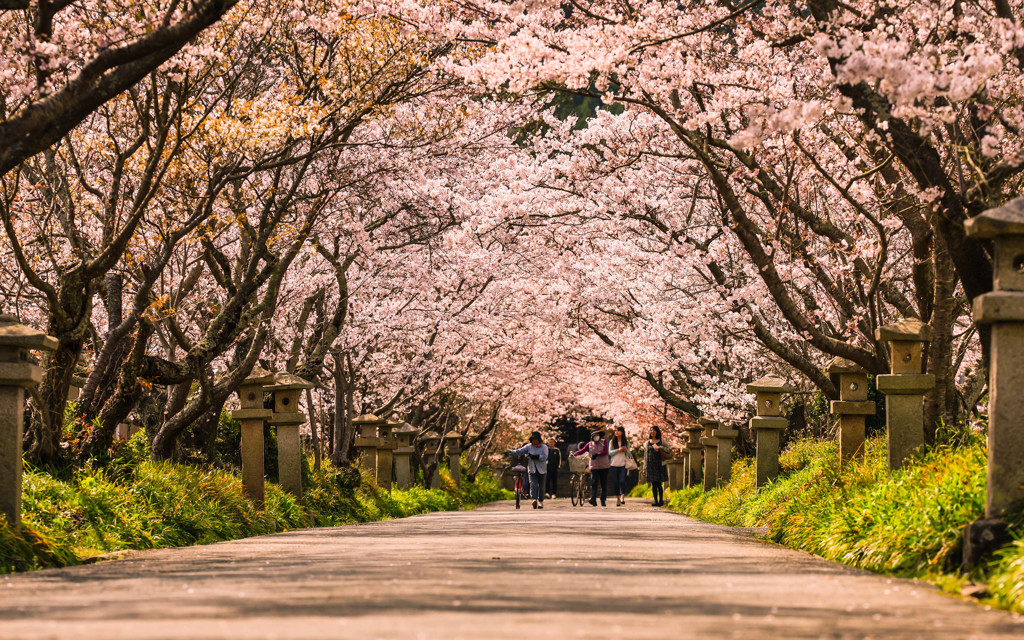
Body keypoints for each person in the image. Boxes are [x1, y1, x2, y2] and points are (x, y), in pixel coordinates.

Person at [507, 431, 549, 509]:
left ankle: (540, 501)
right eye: (533, 439)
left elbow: (545, 457)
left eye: (536, 439)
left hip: (542, 470)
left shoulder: (544, 447)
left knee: (542, 486)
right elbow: (519, 451)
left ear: (539, 440)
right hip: (532, 469)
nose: (534, 441)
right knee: (533, 484)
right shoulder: (529, 447)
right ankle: (533, 499)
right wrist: (510, 451)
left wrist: (536, 457)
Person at [572, 428, 610, 506]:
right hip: (594, 466)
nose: (596, 436)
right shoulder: (589, 444)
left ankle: (603, 500)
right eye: (594, 435)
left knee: (603, 483)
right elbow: (582, 451)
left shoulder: (604, 442)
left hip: (604, 466)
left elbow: (605, 451)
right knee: (594, 482)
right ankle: (593, 499)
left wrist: (597, 454)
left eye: (597, 435)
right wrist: (574, 454)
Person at [645, 425, 667, 506]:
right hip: (651, 464)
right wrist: (645, 468)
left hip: (659, 464)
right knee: (653, 484)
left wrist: (660, 447)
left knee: (659, 484)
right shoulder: (647, 442)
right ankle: (656, 501)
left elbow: (668, 449)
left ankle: (661, 500)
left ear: (657, 431)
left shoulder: (662, 441)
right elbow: (646, 455)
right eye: (651, 430)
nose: (652, 432)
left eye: (654, 430)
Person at [609, 426, 630, 507]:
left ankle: (622, 497)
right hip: (614, 464)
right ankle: (617, 498)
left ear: (622, 432)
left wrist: (626, 450)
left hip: (623, 465)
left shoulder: (626, 442)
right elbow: (610, 453)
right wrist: (618, 450)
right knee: (615, 482)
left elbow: (628, 454)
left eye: (618, 431)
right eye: (616, 431)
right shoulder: (612, 441)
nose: (616, 432)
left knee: (622, 480)